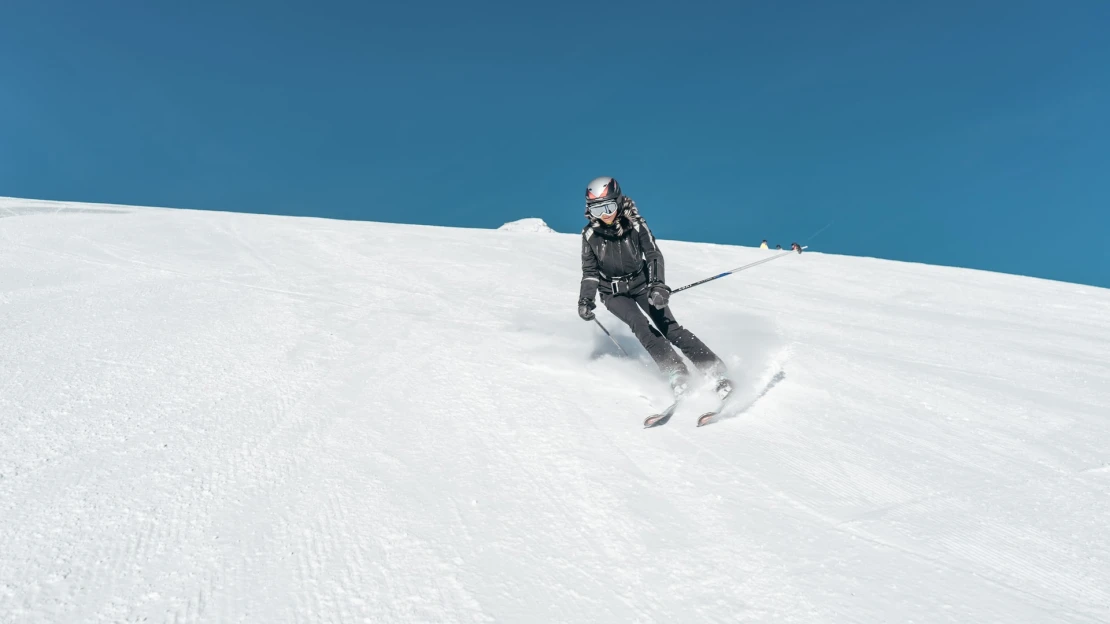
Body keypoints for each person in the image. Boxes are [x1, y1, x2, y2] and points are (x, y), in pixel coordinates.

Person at [576, 176, 732, 400]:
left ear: (618, 202)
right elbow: (590, 272)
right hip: (613, 293)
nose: (605, 215)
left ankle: (715, 371)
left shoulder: (635, 224)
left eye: (608, 207)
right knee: (640, 325)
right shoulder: (590, 234)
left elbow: (653, 255)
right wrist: (585, 300)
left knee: (669, 328)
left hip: (641, 285)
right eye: (597, 210)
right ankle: (676, 372)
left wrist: (657, 285)